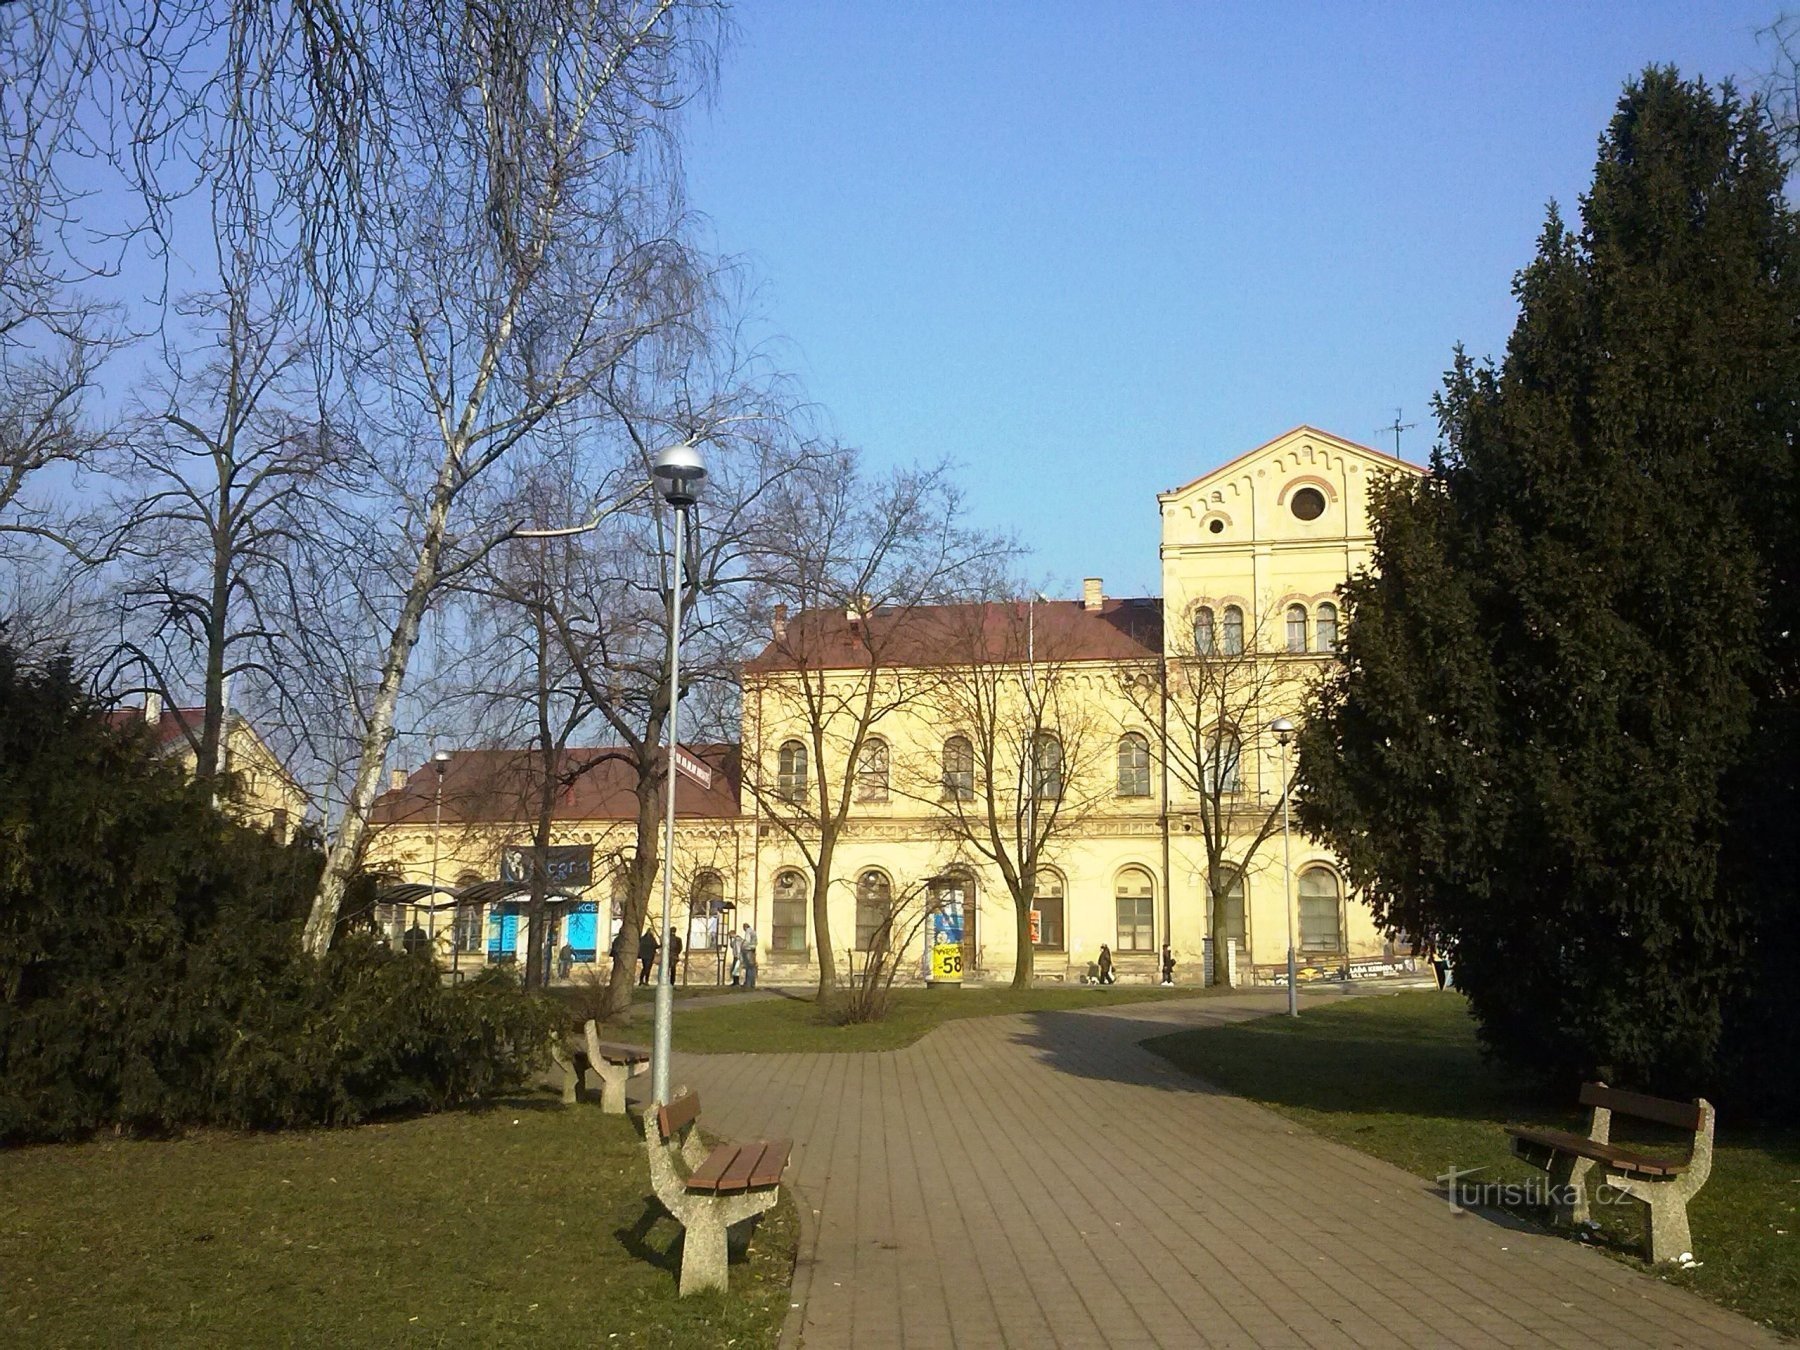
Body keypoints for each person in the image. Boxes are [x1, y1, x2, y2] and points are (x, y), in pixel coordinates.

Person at [739, 922, 758, 990]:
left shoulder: (748, 931)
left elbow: (747, 941)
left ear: (745, 927)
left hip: (748, 950)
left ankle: (748, 983)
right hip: (753, 950)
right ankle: (752, 984)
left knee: (749, 967)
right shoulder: (753, 932)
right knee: (752, 967)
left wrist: (742, 946)